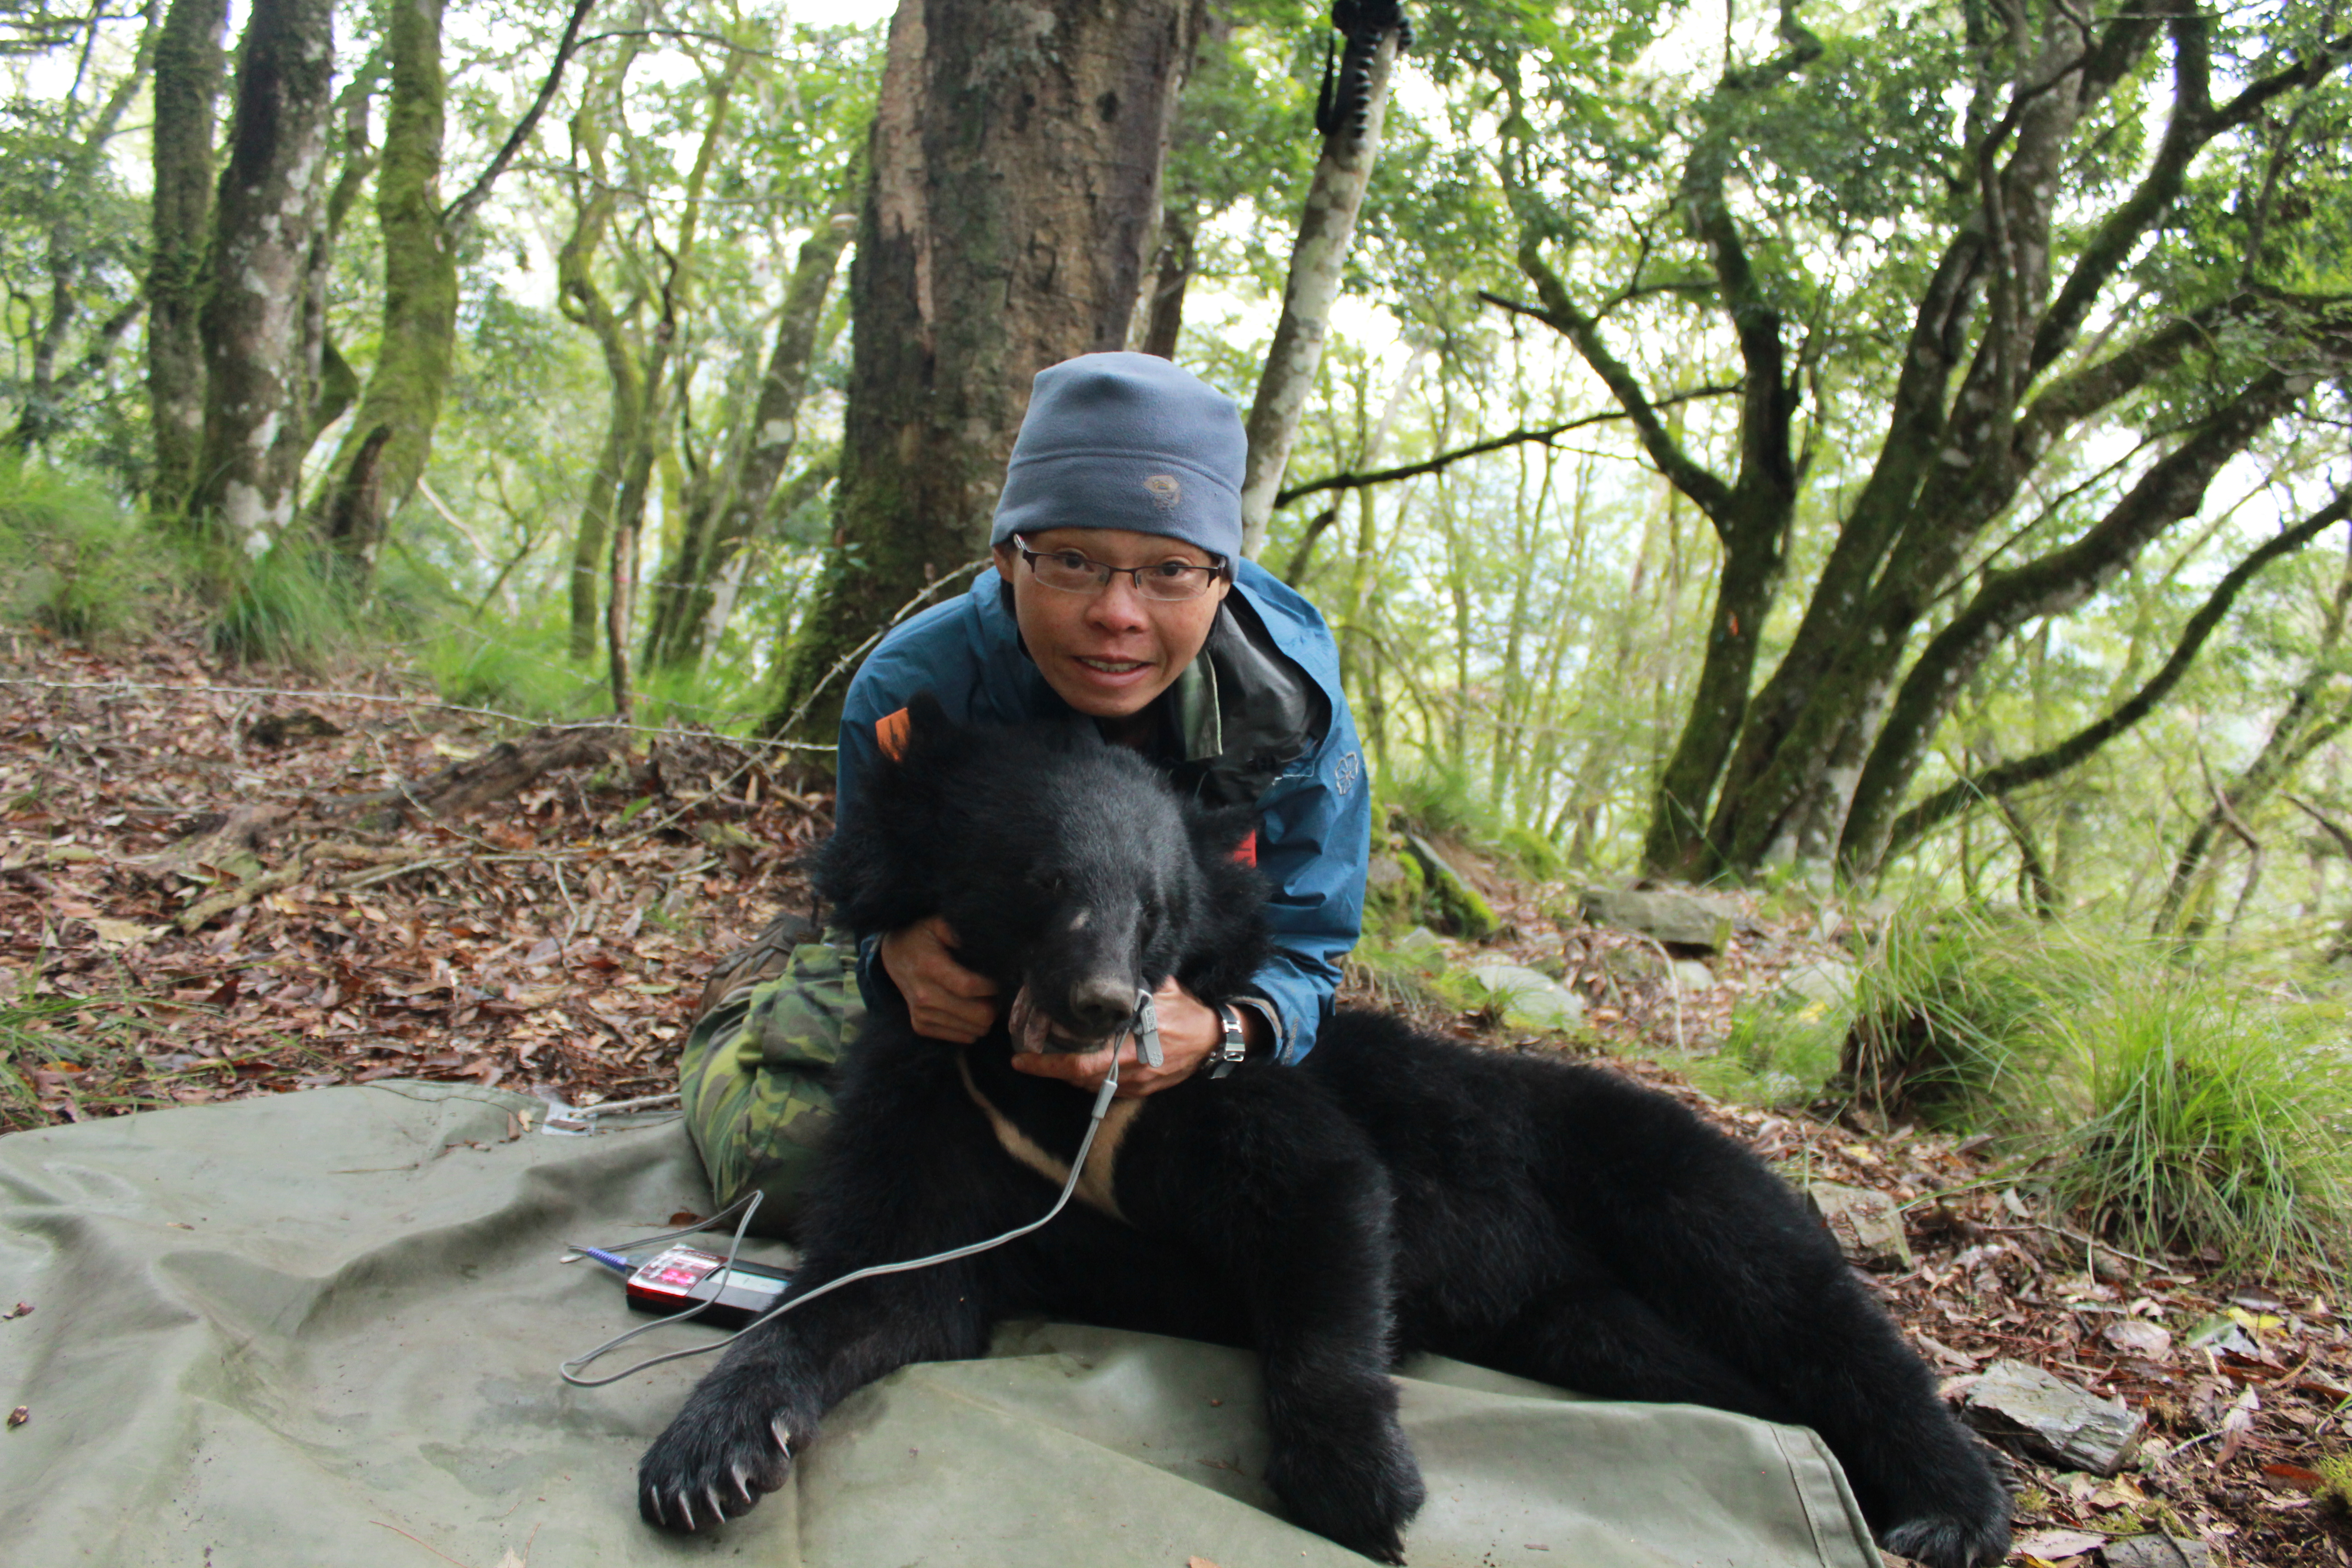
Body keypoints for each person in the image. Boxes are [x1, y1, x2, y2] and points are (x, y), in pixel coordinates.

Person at [676, 352, 1370, 1230]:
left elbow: (1309, 946)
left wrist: (1228, 1031)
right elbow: (869, 889)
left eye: (1169, 572)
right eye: (1074, 561)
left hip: (1155, 991)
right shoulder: (913, 694)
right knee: (802, 1175)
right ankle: (745, 1000)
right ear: (1008, 558)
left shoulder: (1290, 716)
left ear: (1222, 578)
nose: (1119, 613)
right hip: (975, 969)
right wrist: (889, 962)